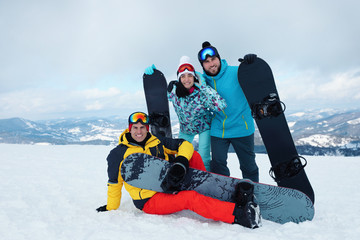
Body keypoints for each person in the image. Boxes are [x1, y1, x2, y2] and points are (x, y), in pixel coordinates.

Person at [96, 111, 261, 229]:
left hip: (168, 185)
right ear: (129, 129)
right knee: (190, 198)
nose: (139, 131)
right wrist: (111, 207)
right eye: (135, 128)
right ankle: (237, 215)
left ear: (147, 128)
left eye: (142, 127)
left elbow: (185, 145)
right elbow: (114, 183)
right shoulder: (118, 154)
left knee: (193, 156)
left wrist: (180, 162)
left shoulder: (156, 141)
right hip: (149, 201)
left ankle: (211, 191)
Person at [144, 56, 227, 171]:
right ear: (179, 78)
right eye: (183, 76)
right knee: (181, 156)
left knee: (204, 158)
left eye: (189, 76)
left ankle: (205, 178)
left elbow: (221, 105)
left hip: (204, 128)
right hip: (186, 129)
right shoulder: (173, 93)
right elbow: (157, 98)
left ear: (194, 77)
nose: (186, 79)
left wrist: (203, 86)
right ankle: (180, 175)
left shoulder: (201, 93)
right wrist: (152, 75)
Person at [196, 41, 259, 182]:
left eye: (213, 59)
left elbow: (256, 76)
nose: (211, 64)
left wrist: (252, 64)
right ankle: (223, 192)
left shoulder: (236, 72)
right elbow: (186, 79)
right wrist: (175, 85)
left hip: (242, 127)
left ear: (219, 58)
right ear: (202, 65)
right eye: (206, 62)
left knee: (248, 166)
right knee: (218, 165)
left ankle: (252, 192)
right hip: (219, 129)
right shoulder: (202, 80)